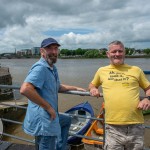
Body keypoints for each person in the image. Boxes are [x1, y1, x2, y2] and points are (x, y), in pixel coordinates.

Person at [20, 37, 86, 150]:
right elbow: (25, 89)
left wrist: (76, 88)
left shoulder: (51, 68)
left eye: (56, 48)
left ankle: (60, 147)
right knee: (46, 144)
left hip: (49, 116)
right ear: (42, 51)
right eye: (50, 49)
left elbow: (58, 87)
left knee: (67, 120)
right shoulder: (41, 68)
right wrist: (49, 107)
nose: (54, 52)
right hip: (45, 120)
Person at [89, 40, 150, 150]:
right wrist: (93, 89)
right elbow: (92, 84)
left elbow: (148, 88)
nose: (117, 54)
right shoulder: (101, 71)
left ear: (124, 53)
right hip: (112, 127)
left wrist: (147, 99)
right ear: (108, 54)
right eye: (114, 51)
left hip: (135, 126)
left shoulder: (136, 70)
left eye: (120, 51)